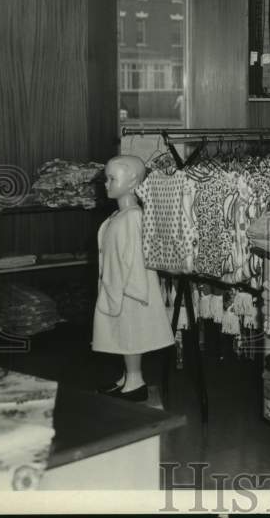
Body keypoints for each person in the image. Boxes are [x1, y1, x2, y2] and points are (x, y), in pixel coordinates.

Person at [92, 154, 174, 401]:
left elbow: (136, 259)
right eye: (106, 178)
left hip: (130, 289)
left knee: (131, 336)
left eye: (111, 178)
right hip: (117, 285)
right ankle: (127, 377)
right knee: (122, 334)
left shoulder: (133, 217)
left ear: (132, 183)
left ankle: (135, 382)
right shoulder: (119, 216)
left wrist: (132, 290)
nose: (106, 184)